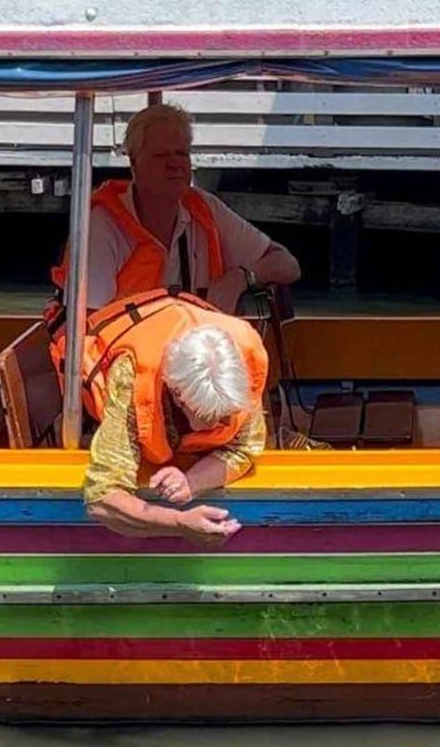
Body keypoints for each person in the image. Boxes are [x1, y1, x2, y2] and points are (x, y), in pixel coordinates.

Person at [61, 290, 268, 546]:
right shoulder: (131, 377)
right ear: (178, 396)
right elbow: (102, 498)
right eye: (209, 416)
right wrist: (177, 523)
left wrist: (190, 482)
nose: (221, 425)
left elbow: (243, 448)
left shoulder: (242, 361)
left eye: (227, 414)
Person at [50, 103, 300, 314]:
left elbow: (287, 264)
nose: (175, 165)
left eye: (182, 154)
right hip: (125, 365)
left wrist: (241, 279)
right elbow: (89, 328)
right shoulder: (102, 227)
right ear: (133, 163)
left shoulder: (204, 208)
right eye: (161, 156)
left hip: (198, 360)